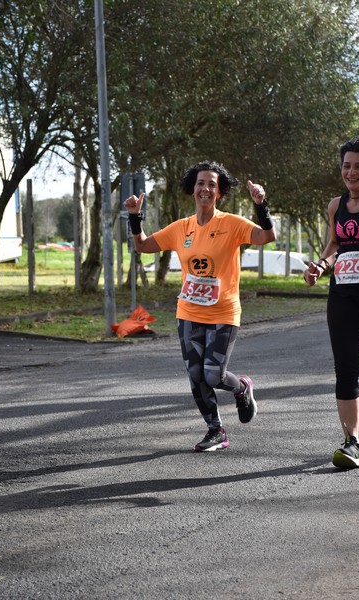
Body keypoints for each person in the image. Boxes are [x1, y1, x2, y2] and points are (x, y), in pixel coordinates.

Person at [124, 161, 276, 452]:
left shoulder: (231, 224)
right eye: (200, 183)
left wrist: (261, 205)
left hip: (223, 312)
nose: (205, 188)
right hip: (189, 312)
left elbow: (267, 236)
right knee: (195, 375)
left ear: (219, 193)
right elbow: (143, 245)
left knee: (213, 375)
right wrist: (135, 217)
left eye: (212, 185)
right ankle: (216, 430)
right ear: (192, 189)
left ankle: (242, 388)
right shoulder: (182, 227)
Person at [304, 136, 359, 469]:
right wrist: (321, 264)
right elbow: (334, 245)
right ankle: (352, 444)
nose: (351, 171)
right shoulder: (336, 205)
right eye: (347, 165)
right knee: (345, 368)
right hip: (343, 293)